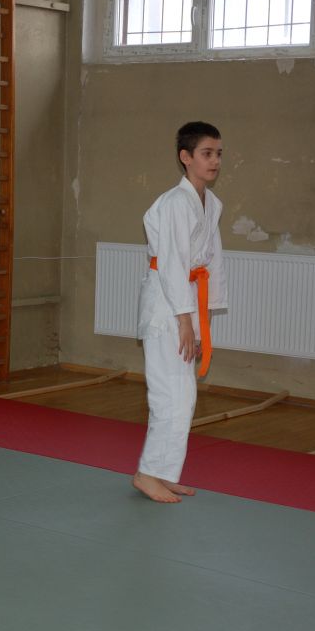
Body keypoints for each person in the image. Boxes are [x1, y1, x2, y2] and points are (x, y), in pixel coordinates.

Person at [133, 121, 227, 503]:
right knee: (168, 393)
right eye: (206, 153)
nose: (214, 161)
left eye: (218, 154)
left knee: (183, 396)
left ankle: (162, 472)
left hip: (187, 300)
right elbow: (172, 263)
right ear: (185, 157)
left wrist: (204, 319)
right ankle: (147, 473)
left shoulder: (210, 204)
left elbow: (213, 262)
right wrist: (185, 320)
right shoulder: (175, 202)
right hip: (166, 308)